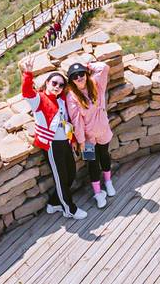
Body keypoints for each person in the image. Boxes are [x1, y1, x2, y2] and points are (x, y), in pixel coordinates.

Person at [20, 55, 87, 219]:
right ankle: (69, 209)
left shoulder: (62, 100)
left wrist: (72, 140)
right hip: (52, 145)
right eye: (54, 83)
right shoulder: (39, 99)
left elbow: (66, 122)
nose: (57, 86)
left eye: (61, 85)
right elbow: (27, 92)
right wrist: (28, 73)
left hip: (65, 143)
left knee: (71, 174)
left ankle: (53, 203)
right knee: (61, 178)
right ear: (47, 83)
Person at [65, 61, 116, 209]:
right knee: (92, 163)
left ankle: (108, 182)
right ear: (71, 80)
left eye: (81, 73)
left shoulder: (96, 84)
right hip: (88, 137)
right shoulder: (72, 97)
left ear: (87, 74)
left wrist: (89, 65)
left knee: (104, 155)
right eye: (75, 76)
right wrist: (81, 141)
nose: (79, 77)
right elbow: (77, 121)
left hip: (103, 129)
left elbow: (104, 67)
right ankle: (98, 192)